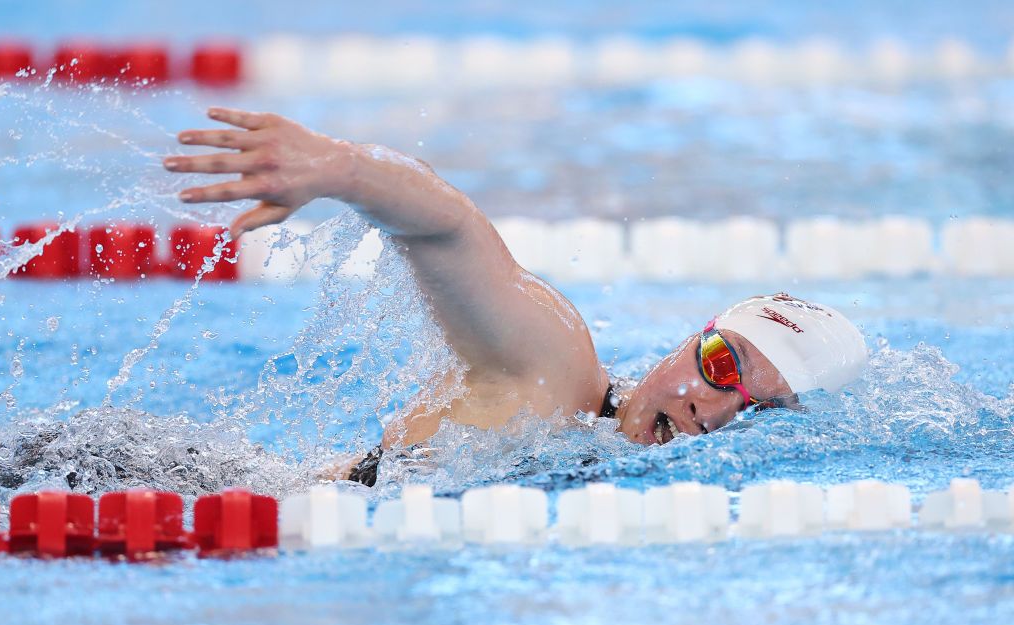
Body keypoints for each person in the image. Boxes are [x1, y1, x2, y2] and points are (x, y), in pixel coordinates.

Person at [164, 107, 867, 484]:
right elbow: (450, 228)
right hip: (190, 494)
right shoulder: (556, 371)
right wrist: (341, 168)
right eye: (720, 364)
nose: (708, 409)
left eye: (755, 411)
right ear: (693, 337)